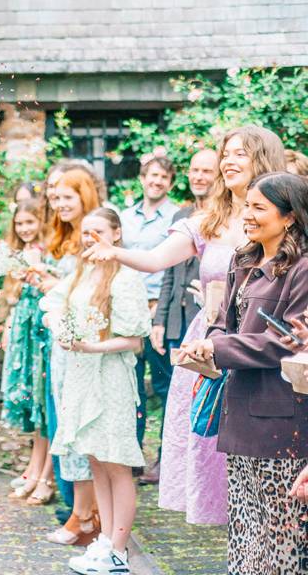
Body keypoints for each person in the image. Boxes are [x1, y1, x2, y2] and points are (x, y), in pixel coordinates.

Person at [84, 125, 287, 525]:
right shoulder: (208, 220)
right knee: (209, 443)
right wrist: (115, 251)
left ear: (263, 158)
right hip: (210, 342)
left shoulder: (286, 216)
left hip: (262, 340)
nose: (227, 161)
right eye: (224, 153)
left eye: (239, 153)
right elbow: (157, 260)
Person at [179, 172, 308, 573]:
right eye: (246, 206)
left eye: (258, 207)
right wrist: (210, 345)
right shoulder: (244, 258)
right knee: (245, 535)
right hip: (238, 410)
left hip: (282, 417)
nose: (247, 215)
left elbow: (289, 340)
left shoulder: (303, 268)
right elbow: (224, 322)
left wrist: (219, 347)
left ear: (289, 216)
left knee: (281, 539)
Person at [42, 208, 151, 575]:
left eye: (98, 232)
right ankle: (105, 540)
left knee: (117, 465)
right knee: (96, 461)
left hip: (111, 378)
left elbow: (135, 340)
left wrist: (91, 347)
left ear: (116, 234)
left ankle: (119, 549)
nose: (90, 238)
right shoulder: (83, 271)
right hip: (82, 376)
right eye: (86, 232)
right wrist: (60, 328)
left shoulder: (125, 276)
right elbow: (53, 305)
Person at [32, 168, 102, 544]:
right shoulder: (64, 236)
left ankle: (84, 515)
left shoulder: (94, 235)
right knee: (66, 427)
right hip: (62, 342)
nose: (59, 205)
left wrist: (53, 286)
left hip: (86, 346)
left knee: (79, 428)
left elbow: (93, 287)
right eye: (55, 198)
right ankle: (84, 511)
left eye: (66, 198)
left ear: (84, 196)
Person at [142, 148, 218, 485]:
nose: (199, 176)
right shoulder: (183, 216)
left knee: (202, 395)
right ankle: (168, 464)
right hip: (176, 320)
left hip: (207, 318)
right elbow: (169, 275)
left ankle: (200, 470)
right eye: (195, 170)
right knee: (170, 393)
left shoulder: (226, 217)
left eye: (207, 171)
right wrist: (159, 320)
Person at [118, 156, 179, 450]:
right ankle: (133, 451)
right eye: (153, 175)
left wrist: (160, 311)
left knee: (163, 384)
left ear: (170, 183)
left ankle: (164, 456)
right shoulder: (124, 217)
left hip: (157, 308)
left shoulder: (176, 218)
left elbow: (172, 268)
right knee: (129, 384)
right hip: (127, 309)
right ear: (142, 178)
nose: (157, 181)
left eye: (164, 178)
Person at [0, 198, 55, 505]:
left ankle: (46, 475)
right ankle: (34, 469)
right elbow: (11, 295)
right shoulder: (18, 254)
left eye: (30, 222)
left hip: (43, 328)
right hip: (24, 328)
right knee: (33, 403)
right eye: (19, 223)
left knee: (44, 403)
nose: (24, 229)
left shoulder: (50, 253)